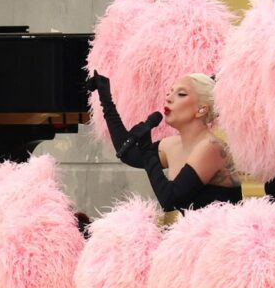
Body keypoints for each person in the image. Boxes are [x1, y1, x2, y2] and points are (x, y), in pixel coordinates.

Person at [88, 71, 241, 212]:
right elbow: (129, 154)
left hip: (219, 238)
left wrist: (147, 150)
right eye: (169, 92)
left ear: (202, 109)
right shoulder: (172, 145)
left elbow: (171, 200)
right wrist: (106, 100)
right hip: (187, 236)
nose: (168, 97)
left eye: (181, 94)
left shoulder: (211, 147)